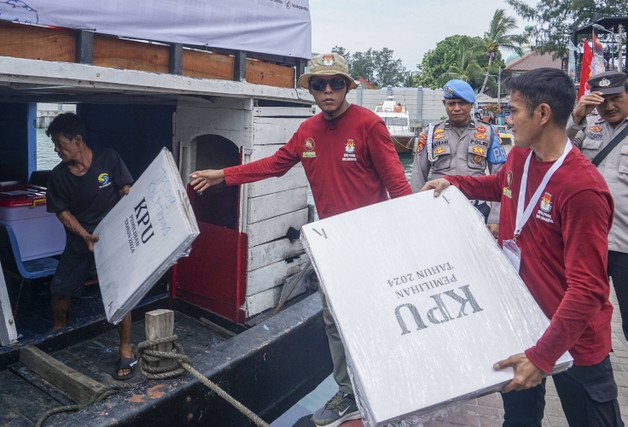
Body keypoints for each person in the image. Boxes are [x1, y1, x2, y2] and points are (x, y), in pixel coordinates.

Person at [190, 52, 412, 427]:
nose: (328, 91)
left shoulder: (369, 125)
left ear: (347, 87)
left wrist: (409, 242)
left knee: (374, 316)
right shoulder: (307, 131)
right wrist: (223, 175)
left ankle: (386, 383)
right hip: (330, 244)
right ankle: (348, 392)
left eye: (336, 83)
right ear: (310, 89)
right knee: (333, 320)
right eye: (319, 84)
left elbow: (399, 188)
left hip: (370, 242)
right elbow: (274, 165)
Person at [422, 68, 623, 426]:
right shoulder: (520, 157)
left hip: (574, 339)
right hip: (522, 322)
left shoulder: (582, 189)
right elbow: (498, 183)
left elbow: (588, 289)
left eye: (513, 111)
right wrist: (451, 182)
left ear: (542, 114)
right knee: (519, 420)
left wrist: (543, 357)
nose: (507, 119)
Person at [568, 70, 628, 412]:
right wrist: (577, 116)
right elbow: (558, 153)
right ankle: (593, 366)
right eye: (602, 100)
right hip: (590, 240)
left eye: (616, 97)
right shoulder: (588, 128)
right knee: (589, 307)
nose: (609, 106)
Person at [45, 112, 137, 381]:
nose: (56, 149)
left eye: (60, 144)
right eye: (53, 144)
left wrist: (128, 194)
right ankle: (58, 329)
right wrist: (85, 236)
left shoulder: (109, 158)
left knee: (120, 294)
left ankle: (125, 347)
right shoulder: (59, 176)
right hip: (80, 240)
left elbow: (125, 189)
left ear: (78, 139)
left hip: (111, 238)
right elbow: (62, 213)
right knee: (59, 290)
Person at [410, 79, 507, 237]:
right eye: (451, 103)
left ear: (471, 104)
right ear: (444, 103)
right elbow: (418, 174)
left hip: (478, 208)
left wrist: (496, 217)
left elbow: (501, 177)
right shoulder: (429, 134)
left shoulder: (489, 132)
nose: (456, 108)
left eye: (462, 103)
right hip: (438, 207)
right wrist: (417, 212)